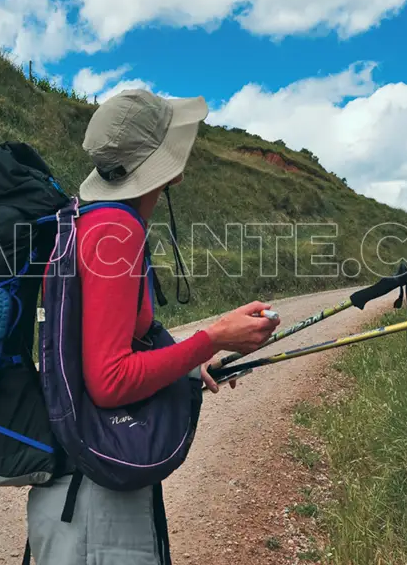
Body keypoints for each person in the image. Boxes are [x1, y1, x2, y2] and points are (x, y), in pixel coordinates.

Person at [25, 89, 281, 564]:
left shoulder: (91, 220)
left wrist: (183, 364)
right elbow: (109, 381)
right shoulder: (115, 233)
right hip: (94, 510)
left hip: (79, 490)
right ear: (161, 164)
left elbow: (104, 348)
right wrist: (213, 338)